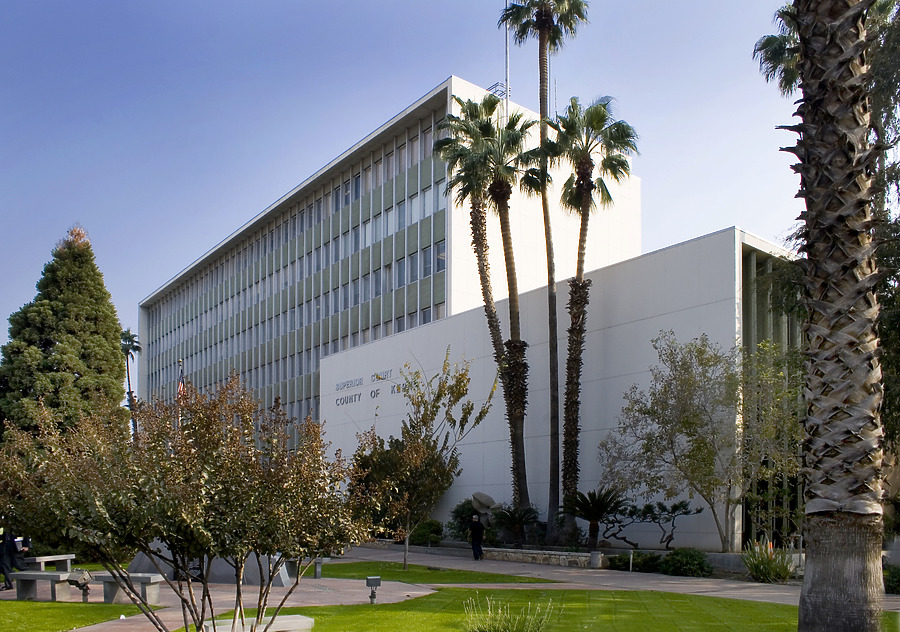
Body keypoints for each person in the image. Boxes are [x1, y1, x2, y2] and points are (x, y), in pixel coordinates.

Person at [0, 525, 30, 591]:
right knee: (6, 566)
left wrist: (26, 546)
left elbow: (26, 534)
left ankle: (30, 578)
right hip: (6, 547)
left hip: (17, 546)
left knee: (19, 564)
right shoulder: (5, 523)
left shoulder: (18, 521)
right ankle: (8, 585)